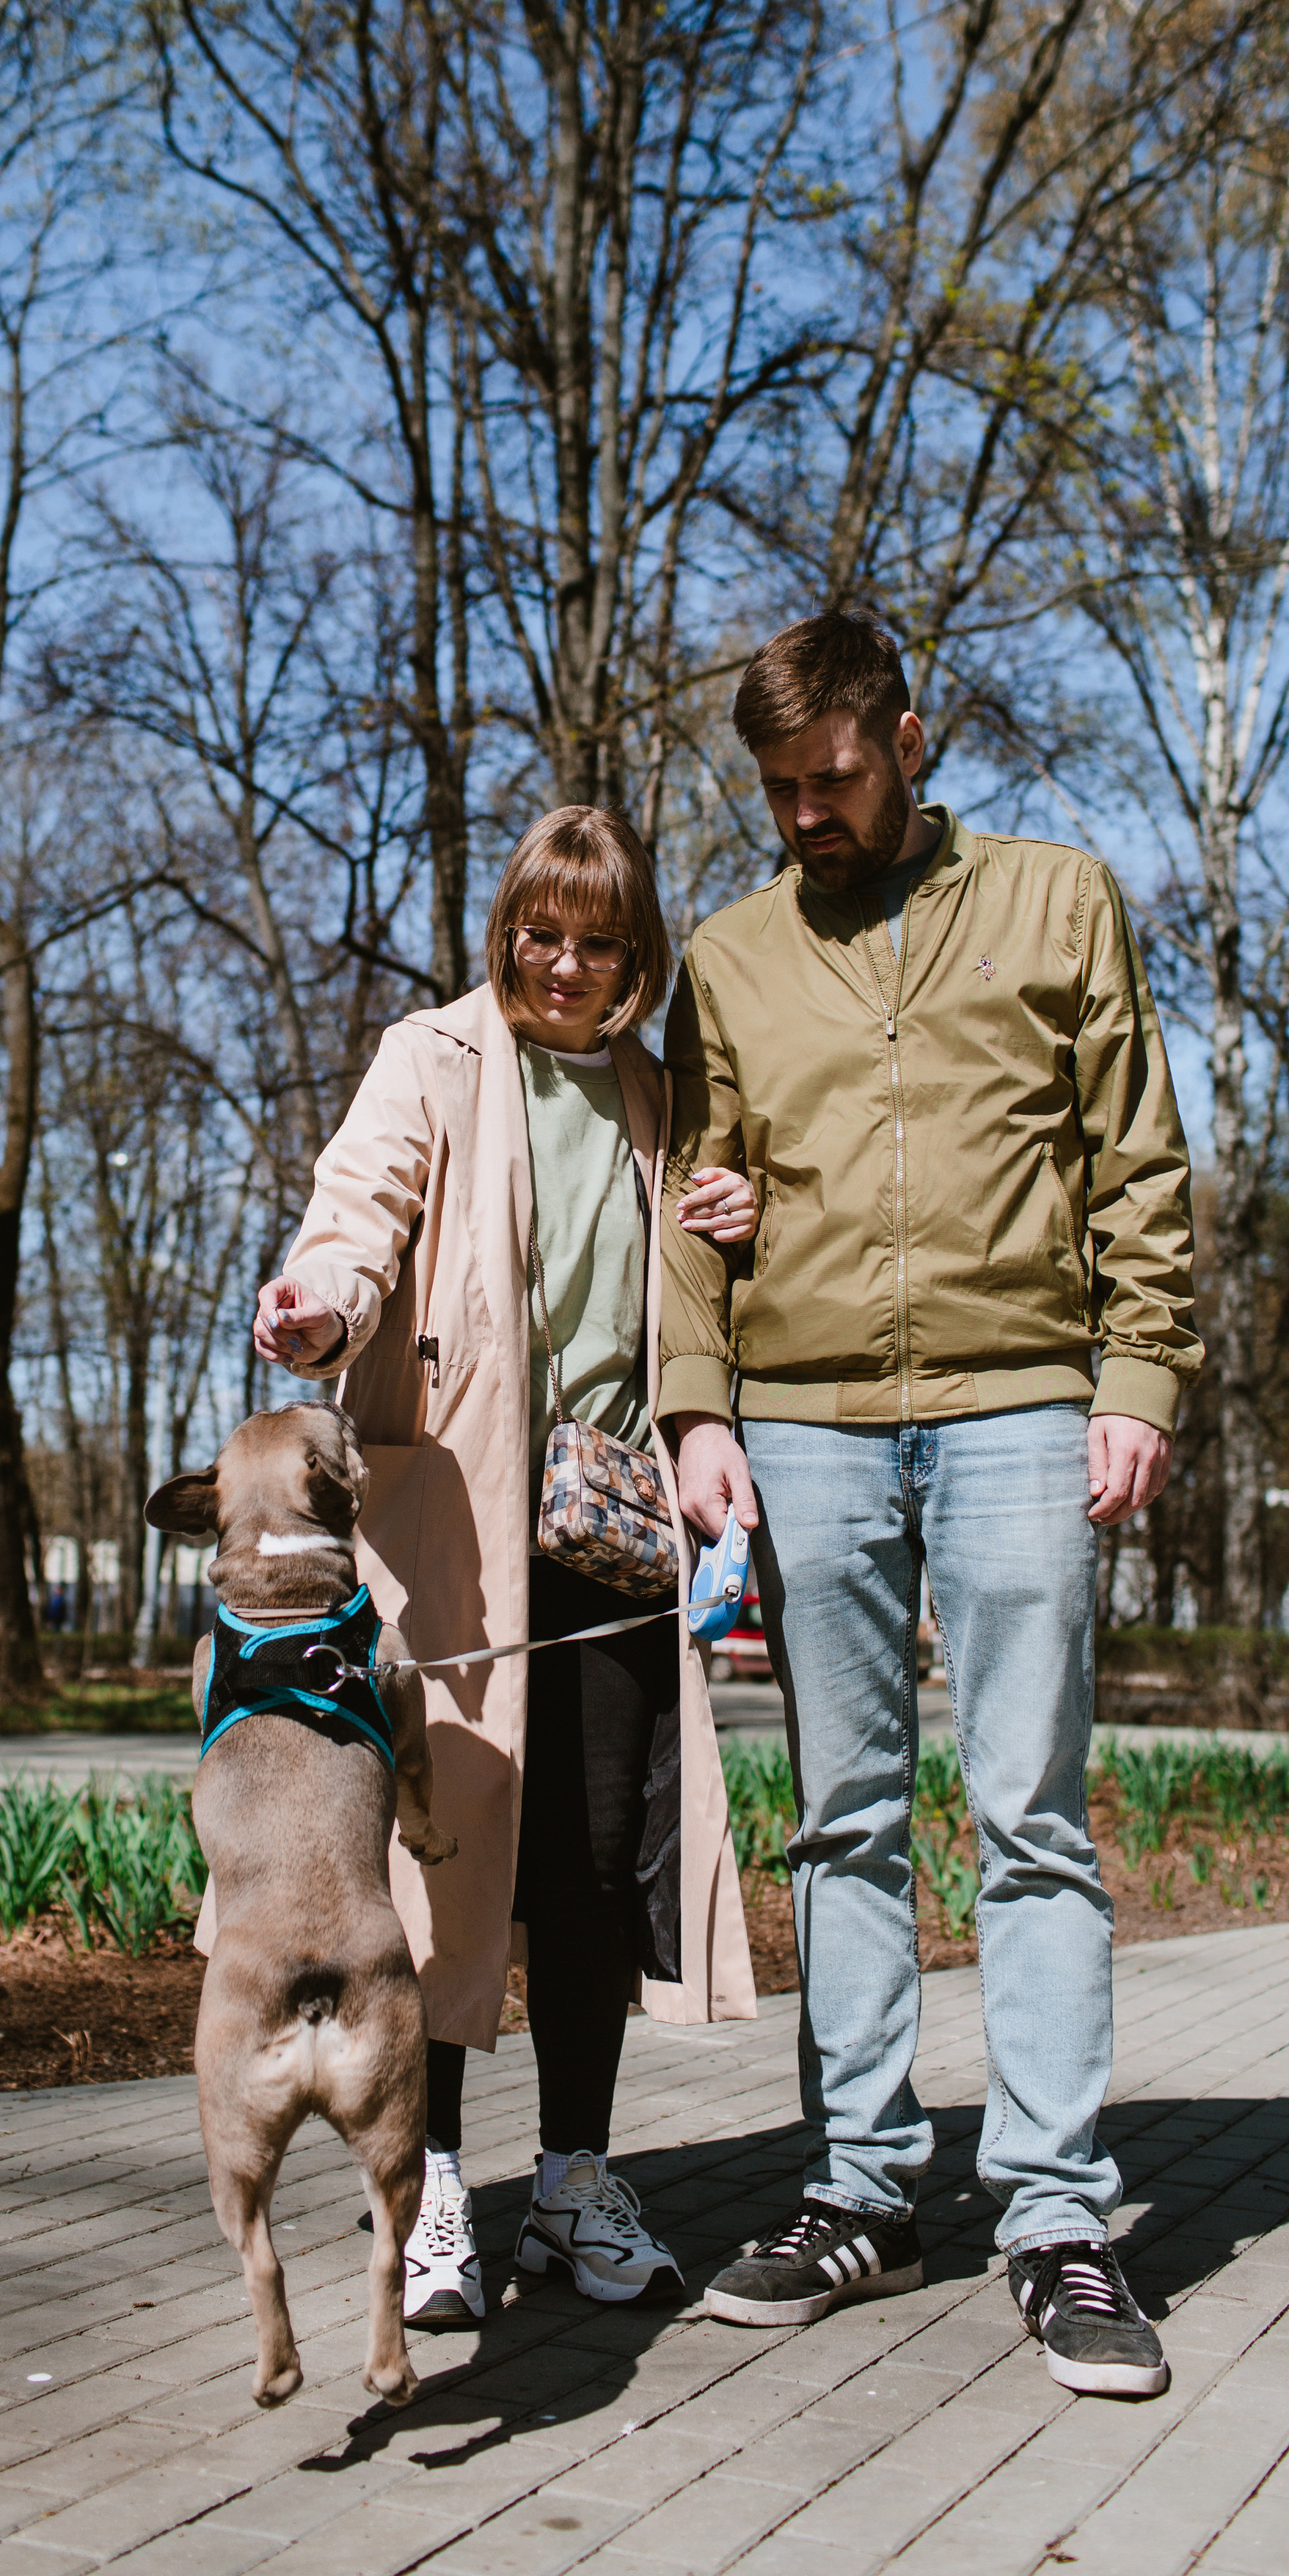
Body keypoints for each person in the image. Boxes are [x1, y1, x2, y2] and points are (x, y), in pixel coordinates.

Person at [661, 612, 1202, 2398]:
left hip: (1017, 1406)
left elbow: (1133, 1156)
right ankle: (863, 2190)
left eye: (829, 780)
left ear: (908, 737)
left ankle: (1051, 2215)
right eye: (775, 792)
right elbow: (695, 1191)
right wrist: (694, 1404)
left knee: (1031, 1813)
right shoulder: (726, 956)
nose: (803, 816)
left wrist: (1136, 1380)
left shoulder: (1056, 900)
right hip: (804, 1418)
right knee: (840, 1823)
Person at [253, 806, 759, 2329]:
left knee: (595, 1866)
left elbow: (706, 1278)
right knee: (450, 1862)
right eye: (542, 934)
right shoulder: (435, 1056)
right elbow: (360, 1211)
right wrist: (318, 1308)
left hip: (607, 1528)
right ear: (507, 932)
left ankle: (574, 2181)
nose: (565, 963)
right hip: (459, 1528)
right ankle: (431, 2198)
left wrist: (743, 1219)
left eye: (599, 942)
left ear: (634, 954)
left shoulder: (658, 1094)